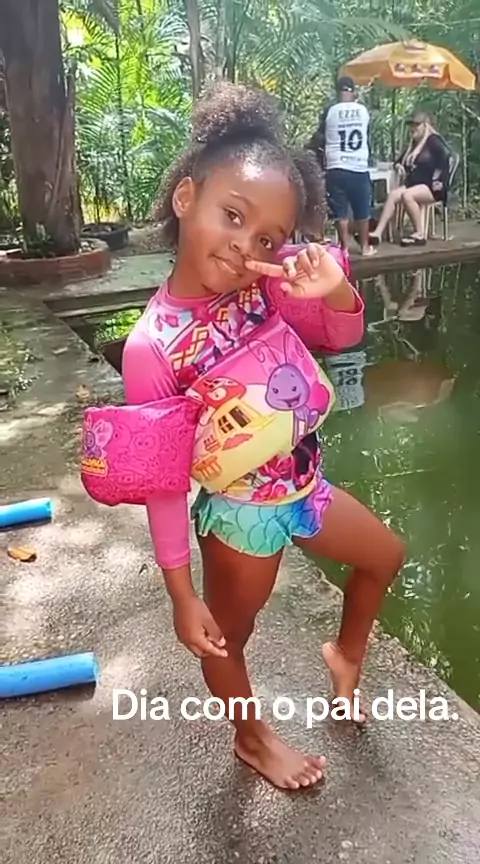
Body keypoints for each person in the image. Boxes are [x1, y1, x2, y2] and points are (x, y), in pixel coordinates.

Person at [120, 82, 405, 791]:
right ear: (186, 198)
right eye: (233, 216)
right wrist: (180, 592)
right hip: (241, 517)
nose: (246, 246)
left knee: (385, 556)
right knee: (226, 634)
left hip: (305, 486)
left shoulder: (266, 287)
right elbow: (161, 483)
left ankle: (345, 654)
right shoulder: (152, 346)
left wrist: (333, 288)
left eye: (268, 238)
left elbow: (342, 334)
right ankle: (251, 738)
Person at [306, 75, 376, 256]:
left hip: (336, 166)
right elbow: (366, 135)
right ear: (353, 92)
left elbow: (320, 136)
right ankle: (365, 247)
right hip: (358, 166)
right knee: (362, 209)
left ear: (337, 93)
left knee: (340, 211)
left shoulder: (330, 111)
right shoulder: (363, 111)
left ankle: (344, 249)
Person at [369, 111, 452, 247]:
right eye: (411, 125)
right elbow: (398, 161)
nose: (413, 128)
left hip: (432, 187)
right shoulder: (414, 144)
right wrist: (398, 166)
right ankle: (377, 233)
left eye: (417, 125)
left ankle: (420, 233)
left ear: (425, 126)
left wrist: (438, 178)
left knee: (407, 195)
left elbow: (446, 157)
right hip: (415, 184)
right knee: (393, 195)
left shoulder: (433, 140)